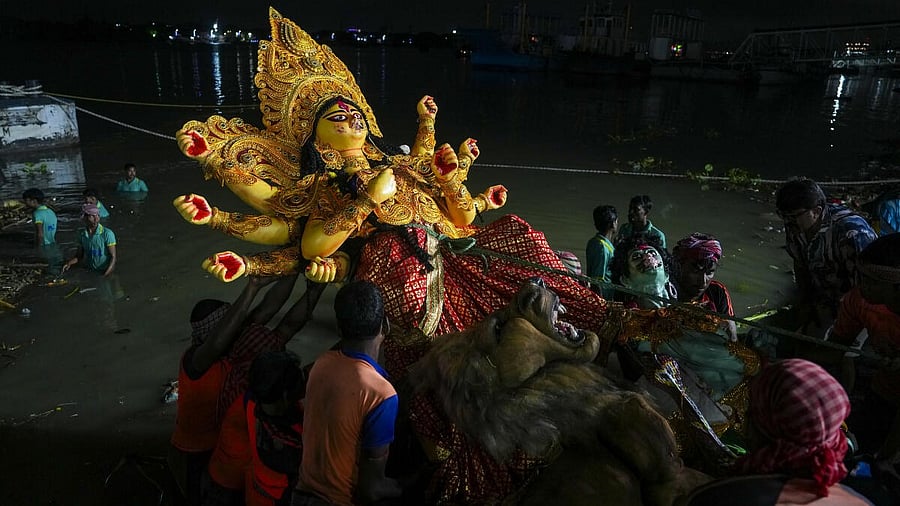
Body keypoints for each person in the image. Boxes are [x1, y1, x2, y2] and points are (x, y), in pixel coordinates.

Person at [203, 274, 325, 505]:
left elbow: (283, 321)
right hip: (234, 486)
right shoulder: (286, 433)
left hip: (227, 475)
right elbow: (285, 324)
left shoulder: (249, 391)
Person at [683, 359, 872, 505]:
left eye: (753, 409)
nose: (745, 417)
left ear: (765, 426)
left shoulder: (721, 498)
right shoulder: (860, 497)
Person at [294, 281, 402, 506]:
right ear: (386, 326)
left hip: (300, 495)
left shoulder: (320, 365)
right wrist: (415, 479)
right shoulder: (381, 395)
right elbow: (372, 490)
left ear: (339, 329)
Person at [829, 234, 900, 485]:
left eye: (871, 281)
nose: (862, 286)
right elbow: (835, 346)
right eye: (861, 277)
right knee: (845, 447)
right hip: (884, 391)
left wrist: (887, 458)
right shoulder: (861, 301)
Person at [775, 178, 876, 335]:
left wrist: (837, 319)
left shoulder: (851, 233)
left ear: (816, 211)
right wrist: (806, 305)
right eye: (783, 216)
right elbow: (800, 265)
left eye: (793, 216)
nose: (787, 222)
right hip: (824, 295)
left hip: (860, 303)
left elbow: (865, 289)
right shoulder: (796, 226)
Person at [245, 350, 306, 506]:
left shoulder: (252, 401)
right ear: (286, 395)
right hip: (277, 498)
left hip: (254, 487)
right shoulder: (291, 440)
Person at [671, 233, 734, 317]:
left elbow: (729, 327)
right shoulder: (665, 290)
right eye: (695, 271)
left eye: (709, 272)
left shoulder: (717, 292)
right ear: (679, 265)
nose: (703, 281)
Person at [62, 204, 116, 277]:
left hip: (105, 271)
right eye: (92, 216)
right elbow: (79, 256)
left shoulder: (107, 233)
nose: (96, 218)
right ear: (84, 218)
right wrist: (69, 263)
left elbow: (113, 257)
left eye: (97, 215)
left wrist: (106, 274)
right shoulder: (81, 234)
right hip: (90, 270)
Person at [585, 204, 617, 299]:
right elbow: (597, 280)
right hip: (604, 295)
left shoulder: (594, 241)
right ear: (613, 224)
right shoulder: (602, 247)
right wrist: (600, 304)